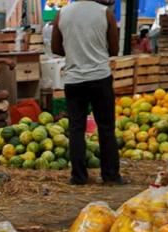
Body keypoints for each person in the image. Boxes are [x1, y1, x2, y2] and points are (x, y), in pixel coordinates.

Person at [52, 0, 123, 186]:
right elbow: (114, 49)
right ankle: (111, 176)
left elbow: (55, 48)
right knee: (106, 127)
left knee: (76, 129)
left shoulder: (62, 13)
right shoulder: (104, 12)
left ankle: (78, 177)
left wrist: (75, 53)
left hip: (74, 80)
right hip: (100, 77)